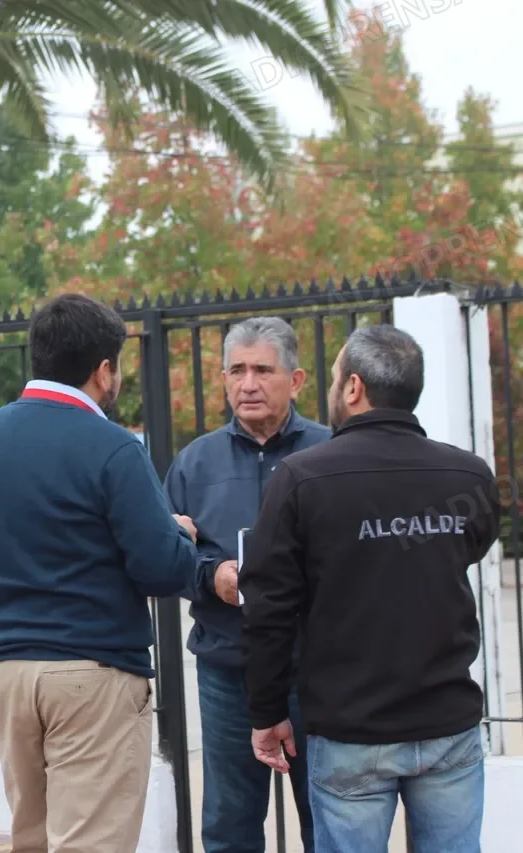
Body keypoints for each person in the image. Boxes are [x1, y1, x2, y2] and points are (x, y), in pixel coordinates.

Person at [0, 293, 200, 853]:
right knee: (91, 841)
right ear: (103, 370)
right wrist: (180, 535)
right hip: (92, 668)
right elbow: (162, 569)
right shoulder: (113, 447)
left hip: (3, 671)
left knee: (32, 837)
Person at [240, 324, 501, 853]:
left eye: (337, 377)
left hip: (351, 731)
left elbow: (269, 608)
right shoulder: (469, 476)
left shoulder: (301, 478)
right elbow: (466, 551)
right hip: (446, 724)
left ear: (354, 387)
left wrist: (267, 712)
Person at [163, 316, 329, 853]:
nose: (248, 384)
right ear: (223, 379)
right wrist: (210, 576)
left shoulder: (330, 454)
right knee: (229, 822)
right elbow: (163, 554)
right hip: (227, 668)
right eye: (237, 371)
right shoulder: (194, 463)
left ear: (296, 380)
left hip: (316, 669)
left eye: (262, 370)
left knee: (329, 817)